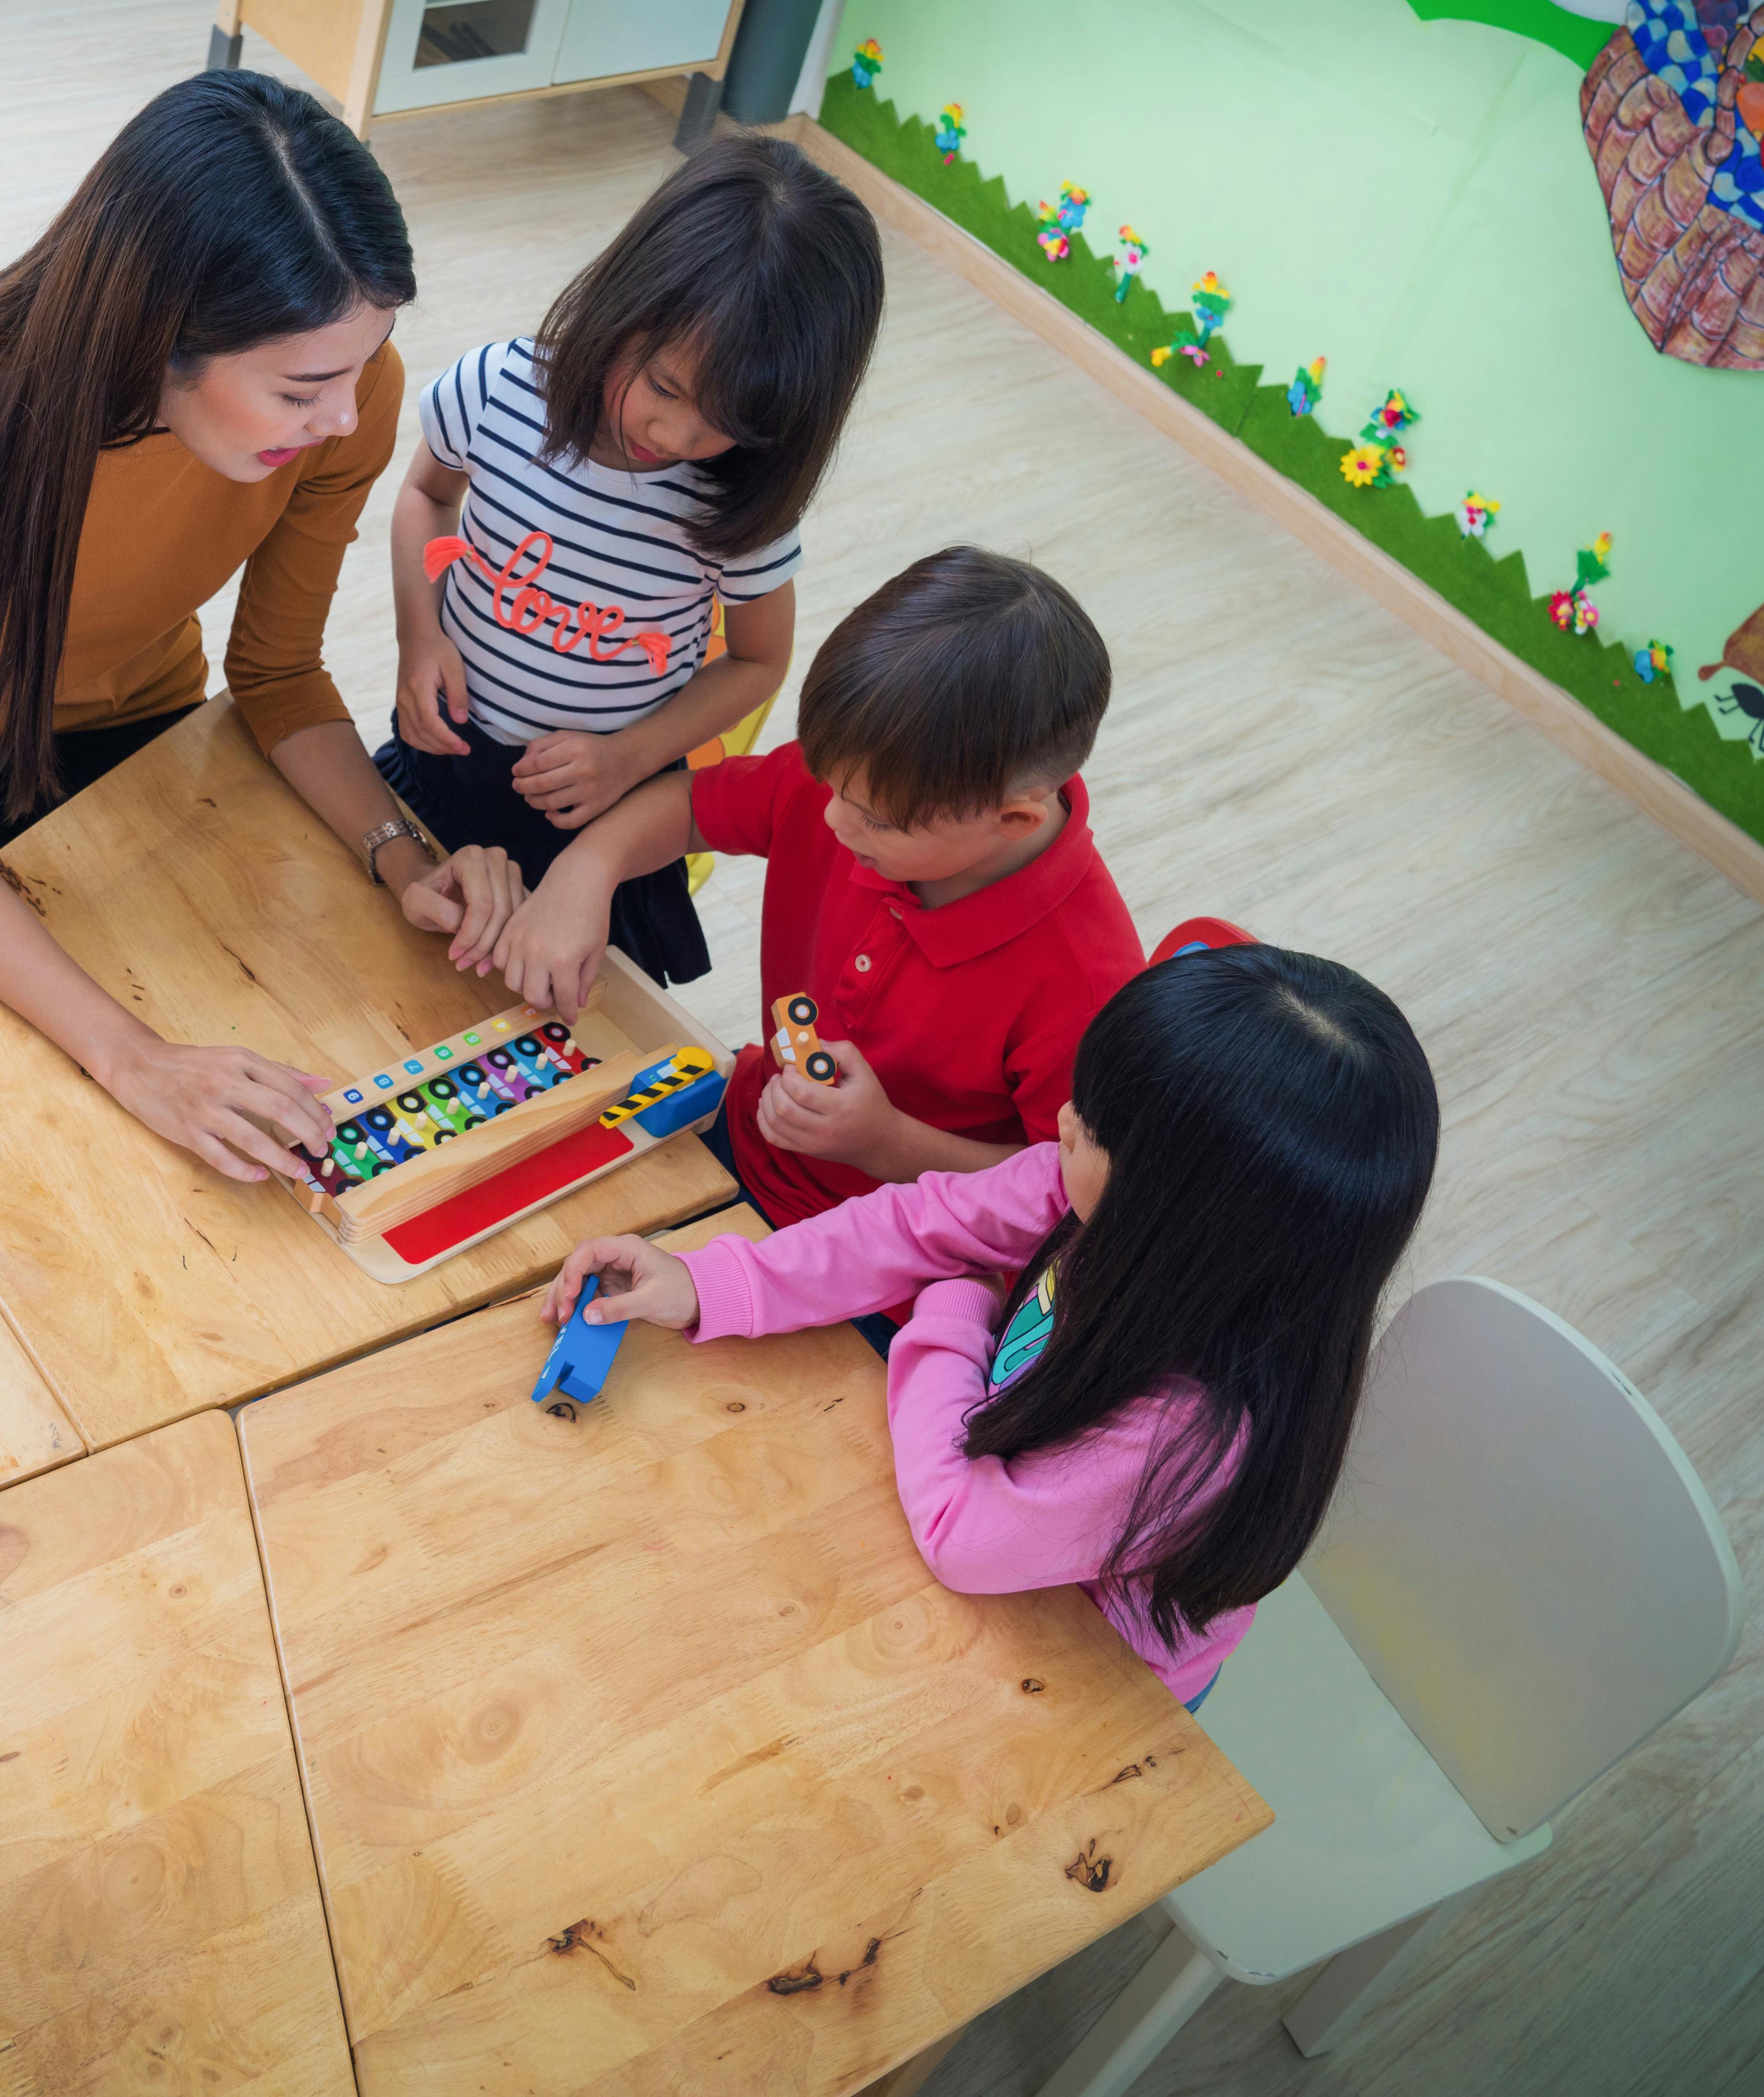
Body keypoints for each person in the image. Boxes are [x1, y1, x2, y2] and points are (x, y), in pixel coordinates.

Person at [0, 72, 523, 1186]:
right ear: (158, 337)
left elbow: (276, 673)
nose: (348, 417)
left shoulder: (343, 406)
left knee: (260, 1000)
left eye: (365, 364)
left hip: (135, 716)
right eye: (302, 386)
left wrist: (399, 854)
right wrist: (135, 1061)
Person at [546, 942, 1442, 1705]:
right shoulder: (1088, 1188)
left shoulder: (1184, 1430)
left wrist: (951, 1309)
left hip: (1089, 1672)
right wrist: (710, 1282)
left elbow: (963, 1537)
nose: (1058, 1124)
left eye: (1088, 1128)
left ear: (1176, 1212)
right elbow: (913, 1225)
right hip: (996, 1511)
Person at [492, 549, 1142, 1319]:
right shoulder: (874, 777)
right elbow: (697, 807)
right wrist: (584, 871)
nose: (832, 819)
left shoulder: (1088, 980)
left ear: (1015, 820)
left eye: (872, 820)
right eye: (831, 786)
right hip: (739, 1136)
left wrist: (885, 1142)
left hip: (901, 1278)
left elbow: (1062, 1195)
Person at [381, 133, 883, 985]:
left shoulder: (737, 504)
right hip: (441, 764)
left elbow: (760, 661)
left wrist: (631, 754)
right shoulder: (497, 390)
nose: (675, 438)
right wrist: (417, 636)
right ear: (623, 299)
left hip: (597, 809)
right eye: (663, 387)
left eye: (725, 420)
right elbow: (425, 498)